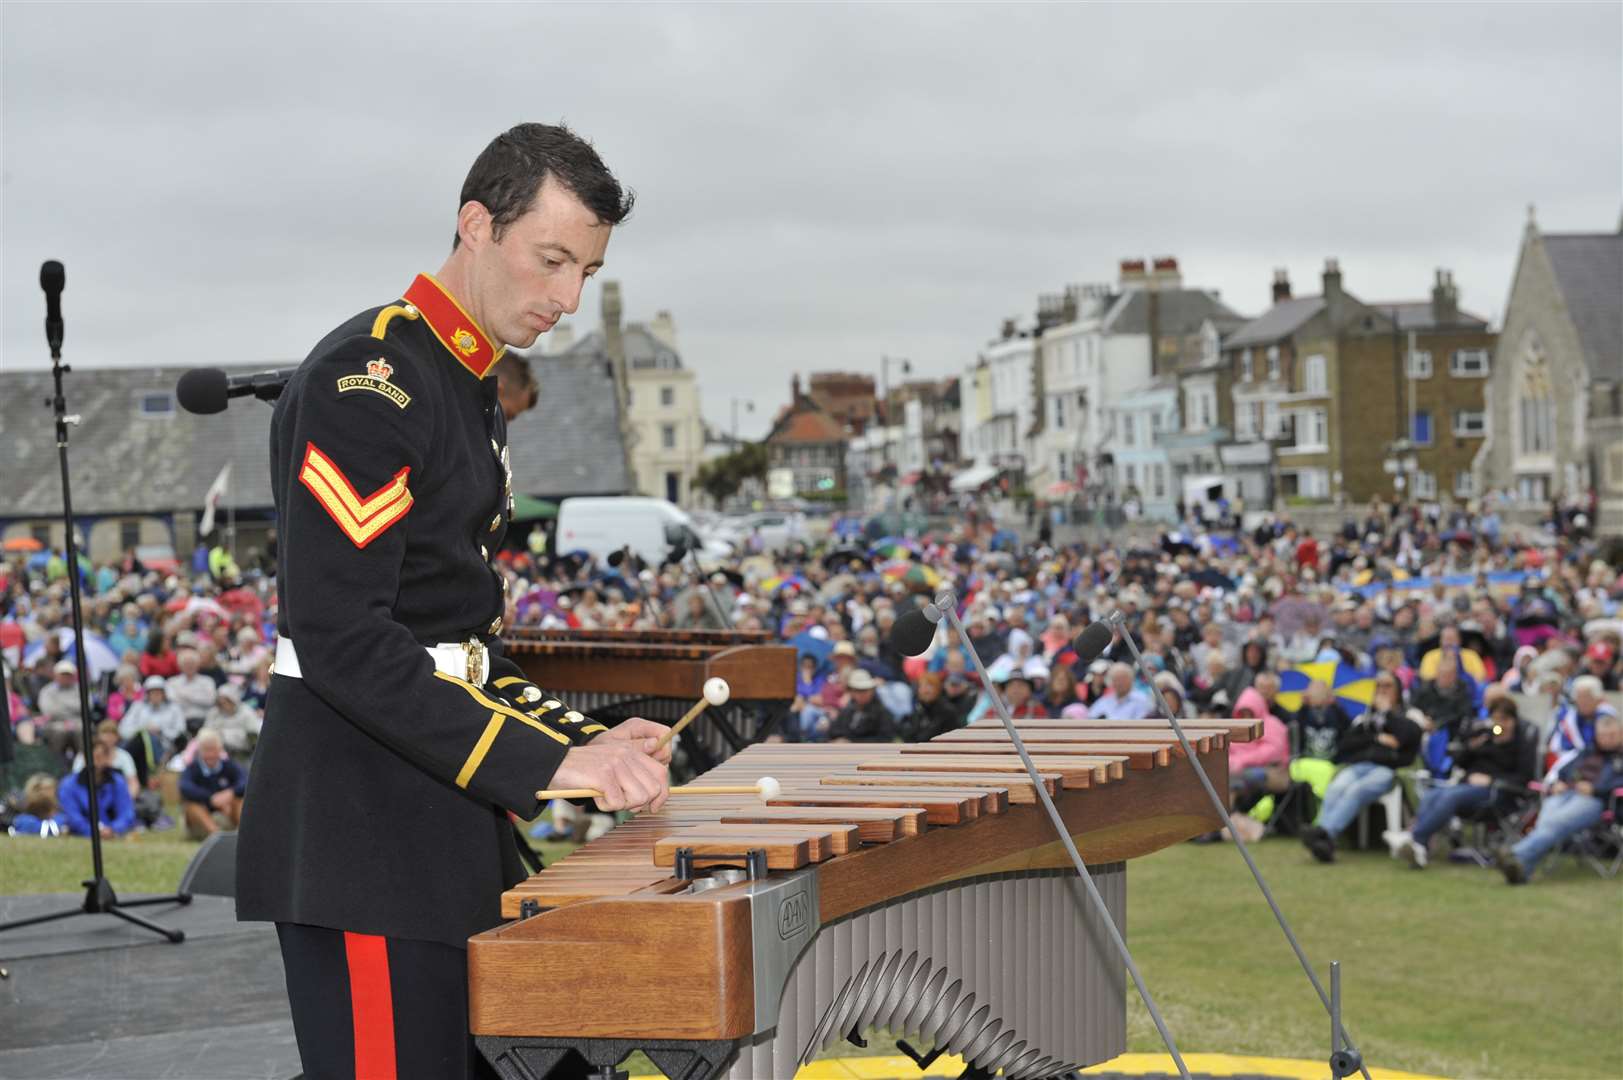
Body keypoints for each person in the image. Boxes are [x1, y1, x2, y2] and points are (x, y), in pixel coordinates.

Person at [235, 123, 669, 1080]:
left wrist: (578, 744)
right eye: (551, 260)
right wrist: (545, 768)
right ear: (476, 223)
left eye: (587, 273)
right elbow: (344, 638)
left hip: (437, 828)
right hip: (364, 839)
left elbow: (453, 641)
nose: (565, 298)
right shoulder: (373, 382)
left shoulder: (462, 378)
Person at [1391, 696, 1532, 868]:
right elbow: (1459, 762)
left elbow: (1524, 778)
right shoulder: (1486, 737)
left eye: (1503, 719)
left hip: (1496, 793)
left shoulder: (1521, 744)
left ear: (1513, 721)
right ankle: (1418, 844)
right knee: (1432, 795)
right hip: (1467, 786)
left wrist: (1491, 780)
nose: (1499, 724)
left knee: (1450, 796)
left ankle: (1416, 839)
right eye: (1495, 719)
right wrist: (1471, 747)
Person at [1300, 671, 1422, 863]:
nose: (1382, 691)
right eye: (1378, 686)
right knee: (1336, 787)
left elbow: (1409, 736)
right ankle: (1324, 838)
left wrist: (1387, 715)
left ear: (1398, 691)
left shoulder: (1410, 714)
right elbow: (1346, 744)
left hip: (1389, 769)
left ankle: (1324, 834)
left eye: (1387, 686)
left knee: (1357, 790)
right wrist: (1376, 737)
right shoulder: (1365, 718)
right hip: (1361, 765)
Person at [1498, 711, 1622, 883]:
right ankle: (1521, 870)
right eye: (1603, 735)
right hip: (1566, 793)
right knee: (1548, 821)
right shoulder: (1586, 752)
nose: (1607, 739)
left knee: (1555, 822)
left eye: (1612, 735)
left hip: (1597, 802)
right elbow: (1563, 771)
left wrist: (1595, 789)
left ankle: (1515, 853)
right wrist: (1559, 783)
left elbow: (1618, 783)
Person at [60, 740, 137, 839]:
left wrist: (113, 829)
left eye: (99, 758)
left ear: (107, 758)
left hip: (112, 833)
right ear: (84, 758)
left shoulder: (117, 782)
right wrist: (91, 831)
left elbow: (126, 812)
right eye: (91, 757)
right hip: (82, 833)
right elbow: (71, 815)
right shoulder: (69, 785)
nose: (95, 763)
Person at [179, 729, 248, 839]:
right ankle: (216, 835)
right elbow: (185, 787)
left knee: (239, 801)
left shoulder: (229, 766)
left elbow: (245, 781)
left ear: (220, 750)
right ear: (200, 751)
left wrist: (230, 793)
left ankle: (244, 834)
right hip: (202, 819)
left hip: (227, 814)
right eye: (206, 750)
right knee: (191, 806)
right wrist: (210, 798)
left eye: (213, 750)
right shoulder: (192, 769)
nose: (210, 754)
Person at [35, 658, 86, 759]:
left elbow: (86, 707)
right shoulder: (47, 691)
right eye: (63, 674)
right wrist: (71, 708)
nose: (66, 677)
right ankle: (56, 762)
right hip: (55, 723)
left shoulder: (81, 689)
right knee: (60, 731)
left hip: (78, 722)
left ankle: (82, 761)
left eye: (68, 675)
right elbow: (49, 711)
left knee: (83, 729)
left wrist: (62, 705)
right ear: (56, 675)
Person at [828, 668, 892, 741]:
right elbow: (833, 731)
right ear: (851, 692)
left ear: (872, 691)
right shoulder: (847, 711)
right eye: (857, 690)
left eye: (865, 690)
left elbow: (884, 739)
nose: (861, 694)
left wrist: (852, 743)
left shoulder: (881, 713)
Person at [1088, 662, 1152, 720]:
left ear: (1131, 680)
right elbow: (1091, 717)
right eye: (1116, 680)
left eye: (1123, 679)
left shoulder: (1142, 700)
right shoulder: (1104, 701)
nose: (1119, 683)